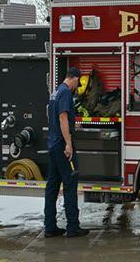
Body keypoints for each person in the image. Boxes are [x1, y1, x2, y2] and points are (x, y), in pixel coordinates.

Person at [45, 67, 90, 238]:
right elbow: (62, 117)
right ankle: (73, 227)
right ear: (75, 79)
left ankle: (50, 227)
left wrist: (71, 125)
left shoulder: (56, 92)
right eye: (78, 83)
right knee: (70, 184)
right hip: (62, 146)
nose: (77, 87)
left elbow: (55, 117)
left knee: (52, 186)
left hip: (53, 144)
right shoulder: (65, 93)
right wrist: (68, 143)